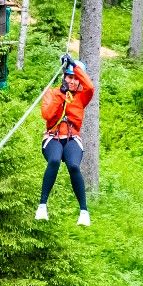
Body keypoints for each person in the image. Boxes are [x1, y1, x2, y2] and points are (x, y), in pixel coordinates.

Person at [36, 51, 95, 226]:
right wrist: (60, 95)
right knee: (54, 160)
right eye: (69, 77)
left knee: (74, 166)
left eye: (75, 78)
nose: (72, 81)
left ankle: (83, 211)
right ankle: (42, 206)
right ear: (63, 77)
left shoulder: (82, 97)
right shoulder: (52, 93)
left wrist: (75, 67)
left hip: (71, 138)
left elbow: (90, 87)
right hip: (53, 137)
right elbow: (47, 115)